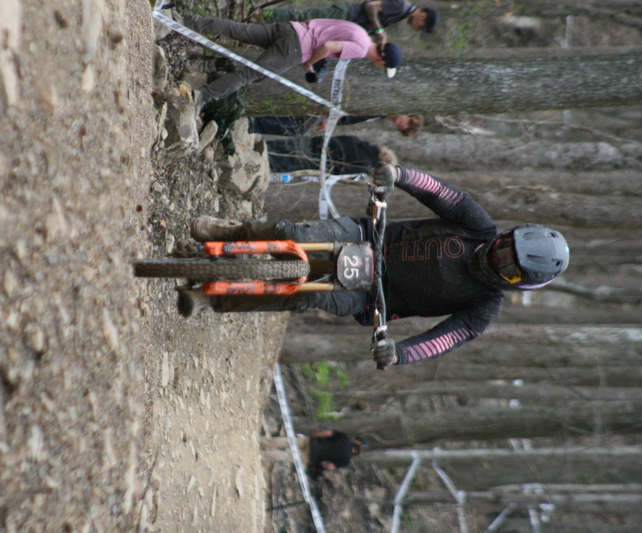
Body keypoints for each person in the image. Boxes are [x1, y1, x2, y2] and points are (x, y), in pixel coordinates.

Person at [178, 164, 570, 368]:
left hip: (369, 298)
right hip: (366, 236)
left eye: (509, 268)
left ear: (517, 283)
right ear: (506, 235)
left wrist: (400, 353)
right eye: (504, 248)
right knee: (291, 232)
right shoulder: (477, 225)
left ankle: (214, 299)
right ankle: (232, 235)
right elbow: (441, 193)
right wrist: (400, 177)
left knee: (299, 296)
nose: (498, 258)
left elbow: (444, 339)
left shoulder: (484, 307)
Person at [177, 14, 403, 116]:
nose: (380, 67)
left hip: (291, 29)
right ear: (382, 61)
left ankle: (186, 21)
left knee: (238, 30)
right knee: (248, 76)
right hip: (295, 49)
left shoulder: (362, 33)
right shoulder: (361, 49)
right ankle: (202, 97)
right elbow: (329, 46)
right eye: (384, 67)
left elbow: (326, 35)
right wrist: (310, 64)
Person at [259, 0, 439, 45]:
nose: (417, 28)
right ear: (422, 16)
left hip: (345, 23)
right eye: (421, 26)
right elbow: (370, 5)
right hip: (345, 14)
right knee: (302, 16)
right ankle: (262, 14)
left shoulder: (401, 14)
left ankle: (261, 23)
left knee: (303, 25)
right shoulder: (401, 6)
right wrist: (378, 31)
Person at [266, 134, 396, 175]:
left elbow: (336, 138)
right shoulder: (363, 166)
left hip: (310, 143)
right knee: (271, 163)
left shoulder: (357, 141)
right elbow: (337, 171)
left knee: (271, 146)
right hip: (311, 160)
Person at [260, 431, 368, 475]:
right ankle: (262, 455)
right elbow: (330, 466)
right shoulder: (346, 460)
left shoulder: (344, 437)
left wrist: (313, 436)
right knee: (285, 455)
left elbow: (326, 433)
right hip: (312, 455)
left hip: (312, 442)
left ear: (356, 443)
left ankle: (265, 442)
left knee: (286, 442)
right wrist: (322, 463)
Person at [251, 114, 424, 137]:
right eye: (407, 121)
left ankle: (257, 125)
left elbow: (351, 119)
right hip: (329, 106)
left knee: (300, 129)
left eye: (404, 128)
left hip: (333, 114)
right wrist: (330, 117)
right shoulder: (381, 107)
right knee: (299, 128)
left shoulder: (380, 115)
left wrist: (332, 122)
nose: (402, 124)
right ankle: (256, 122)